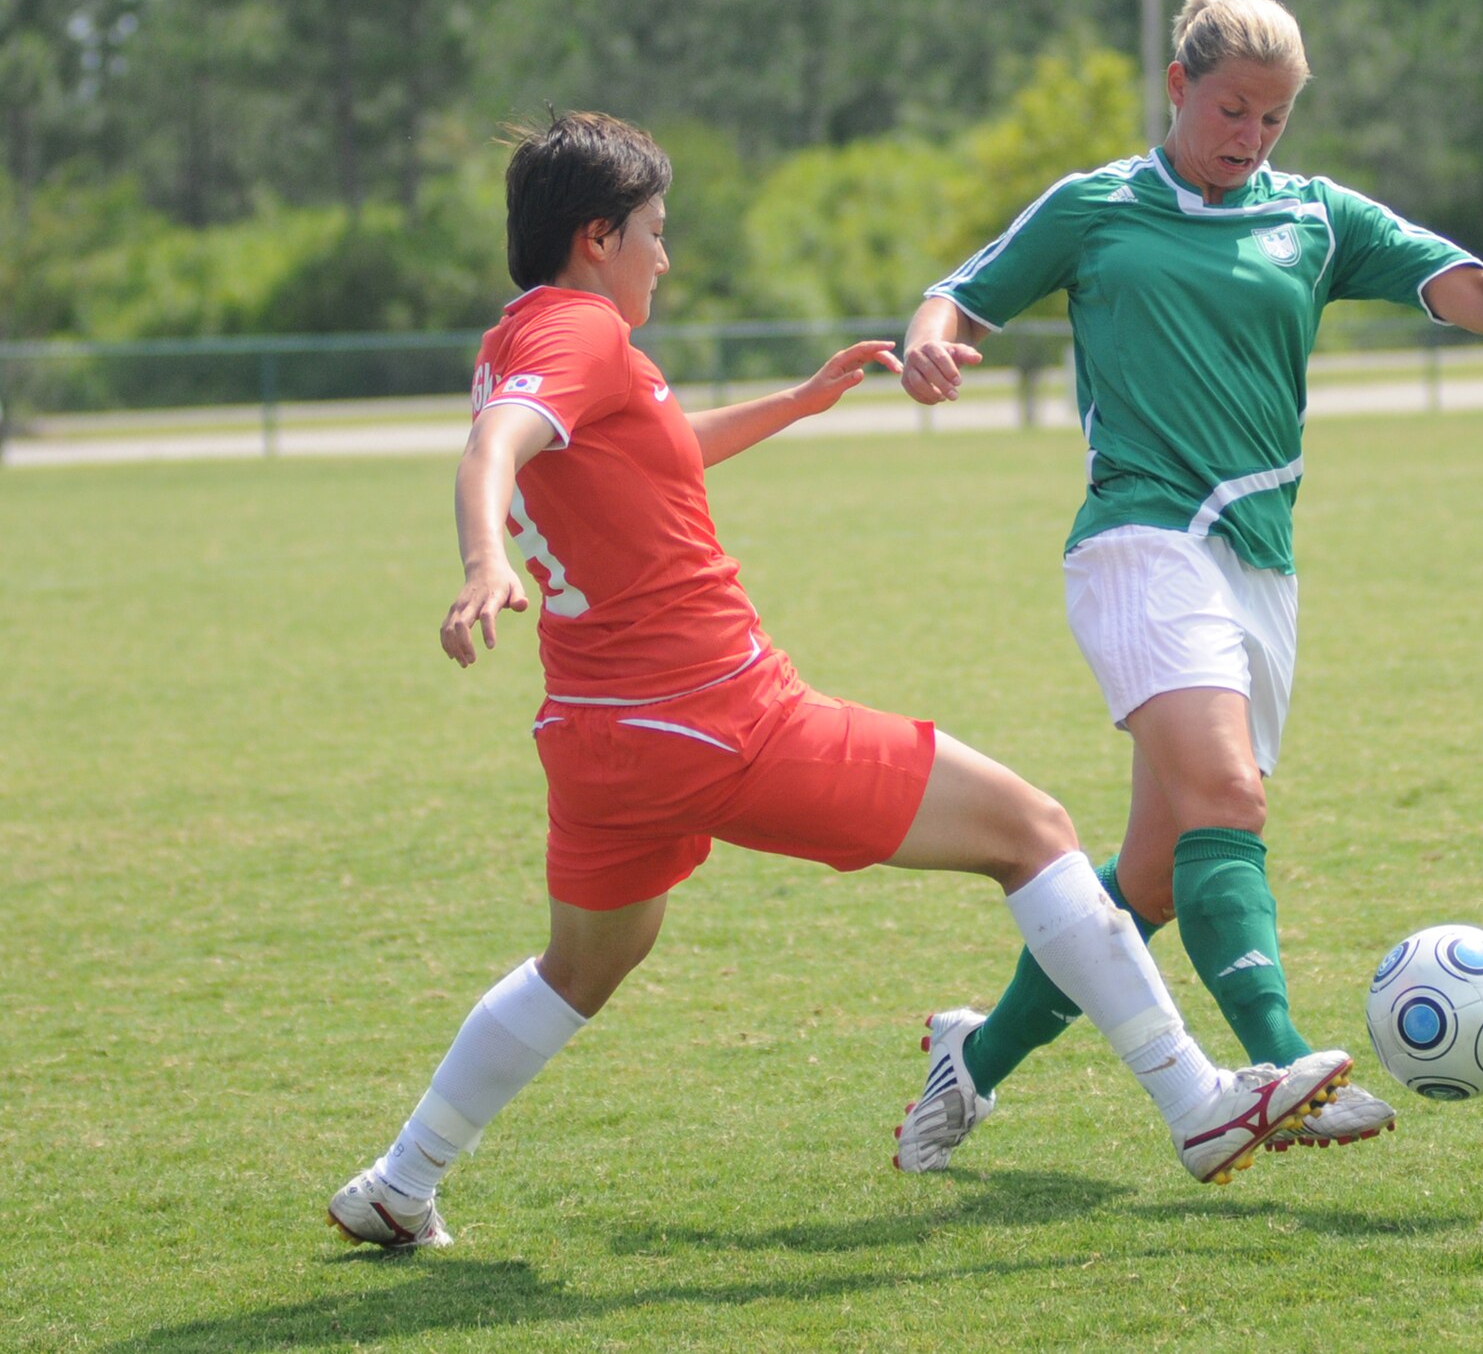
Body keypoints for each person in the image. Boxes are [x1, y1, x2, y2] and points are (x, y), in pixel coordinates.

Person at [326, 111, 1352, 1249]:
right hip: (722, 719)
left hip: (596, 741)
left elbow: (630, 443)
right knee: (1034, 830)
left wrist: (793, 404)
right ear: (595, 235)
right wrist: (484, 562)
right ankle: (1196, 1102)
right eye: (654, 234)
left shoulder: (520, 333)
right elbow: (499, 448)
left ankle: (399, 1180)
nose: (664, 256)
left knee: (583, 963)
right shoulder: (583, 336)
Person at [891, 0, 1483, 1175]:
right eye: (1230, 109)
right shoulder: (1094, 205)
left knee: (1150, 873)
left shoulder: (1312, 217)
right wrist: (934, 342)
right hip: (1139, 541)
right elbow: (960, 295)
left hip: (1257, 565)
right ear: (1176, 86)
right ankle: (1277, 1064)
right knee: (1225, 803)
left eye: (1272, 119)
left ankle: (973, 1058)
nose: (1248, 137)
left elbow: (1464, 290)